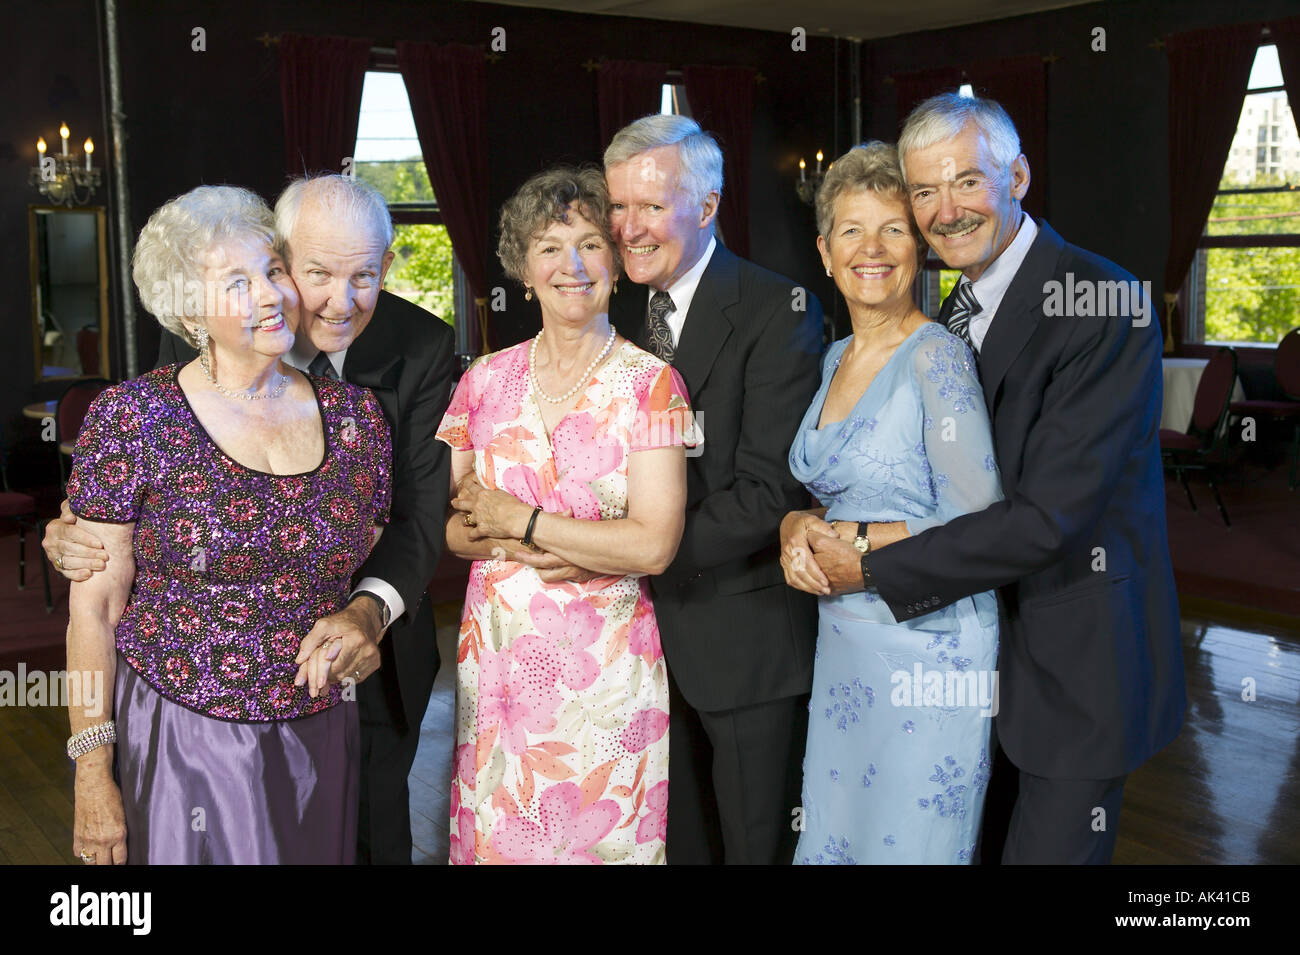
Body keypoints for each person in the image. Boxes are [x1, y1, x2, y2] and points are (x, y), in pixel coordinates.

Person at [793, 93, 1186, 864]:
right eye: (927, 192)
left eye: (968, 182)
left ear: (1019, 174)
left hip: (1071, 669)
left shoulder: (1104, 305)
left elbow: (1047, 519)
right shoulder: (947, 309)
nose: (947, 211)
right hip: (960, 663)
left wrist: (867, 561)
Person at [47, 174, 456, 865]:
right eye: (241, 281)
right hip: (183, 733)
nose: (271, 293)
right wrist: (91, 771)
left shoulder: (357, 416)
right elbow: (94, 606)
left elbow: (401, 529)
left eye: (271, 271)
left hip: (327, 723)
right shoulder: (139, 411)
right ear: (190, 311)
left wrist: (367, 613)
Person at [438, 165, 696, 865]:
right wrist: (490, 526)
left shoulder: (655, 385)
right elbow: (457, 527)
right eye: (550, 247)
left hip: (603, 676)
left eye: (589, 243)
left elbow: (653, 543)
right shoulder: (482, 381)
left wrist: (523, 524)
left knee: (600, 839)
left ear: (615, 263)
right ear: (524, 269)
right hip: (497, 667)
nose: (571, 265)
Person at [604, 115, 822, 864]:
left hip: (741, 641)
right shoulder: (614, 311)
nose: (629, 228)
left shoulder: (777, 309)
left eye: (652, 207)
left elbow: (769, 492)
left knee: (752, 846)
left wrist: (625, 552)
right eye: (619, 205)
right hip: (627, 651)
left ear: (706, 206)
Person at [778, 142, 1001, 864]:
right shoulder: (833, 355)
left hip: (928, 646)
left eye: (894, 229)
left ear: (920, 248)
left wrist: (855, 543)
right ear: (824, 249)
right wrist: (793, 522)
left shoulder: (937, 357)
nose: (871, 249)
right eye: (851, 230)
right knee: (841, 834)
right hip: (846, 641)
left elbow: (979, 522)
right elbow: (825, 491)